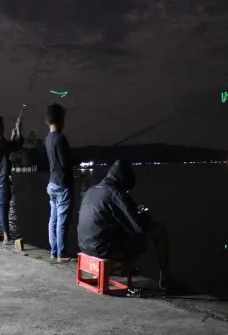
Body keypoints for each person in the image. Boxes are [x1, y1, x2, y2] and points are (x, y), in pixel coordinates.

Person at [77, 159, 172, 289]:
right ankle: (166, 279)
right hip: (102, 250)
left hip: (85, 246)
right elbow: (139, 228)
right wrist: (142, 215)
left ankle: (117, 267)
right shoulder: (116, 192)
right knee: (158, 230)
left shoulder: (92, 190)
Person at [0, 115, 23, 244]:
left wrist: (12, 137)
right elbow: (16, 147)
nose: (3, 127)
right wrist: (18, 130)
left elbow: (6, 150)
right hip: (2, 179)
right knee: (3, 207)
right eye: (1, 125)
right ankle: (6, 237)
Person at [45, 103, 73, 262]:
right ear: (61, 119)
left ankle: (53, 251)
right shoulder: (60, 139)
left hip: (51, 184)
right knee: (62, 220)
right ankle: (62, 253)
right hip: (62, 184)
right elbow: (65, 164)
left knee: (53, 219)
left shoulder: (48, 138)